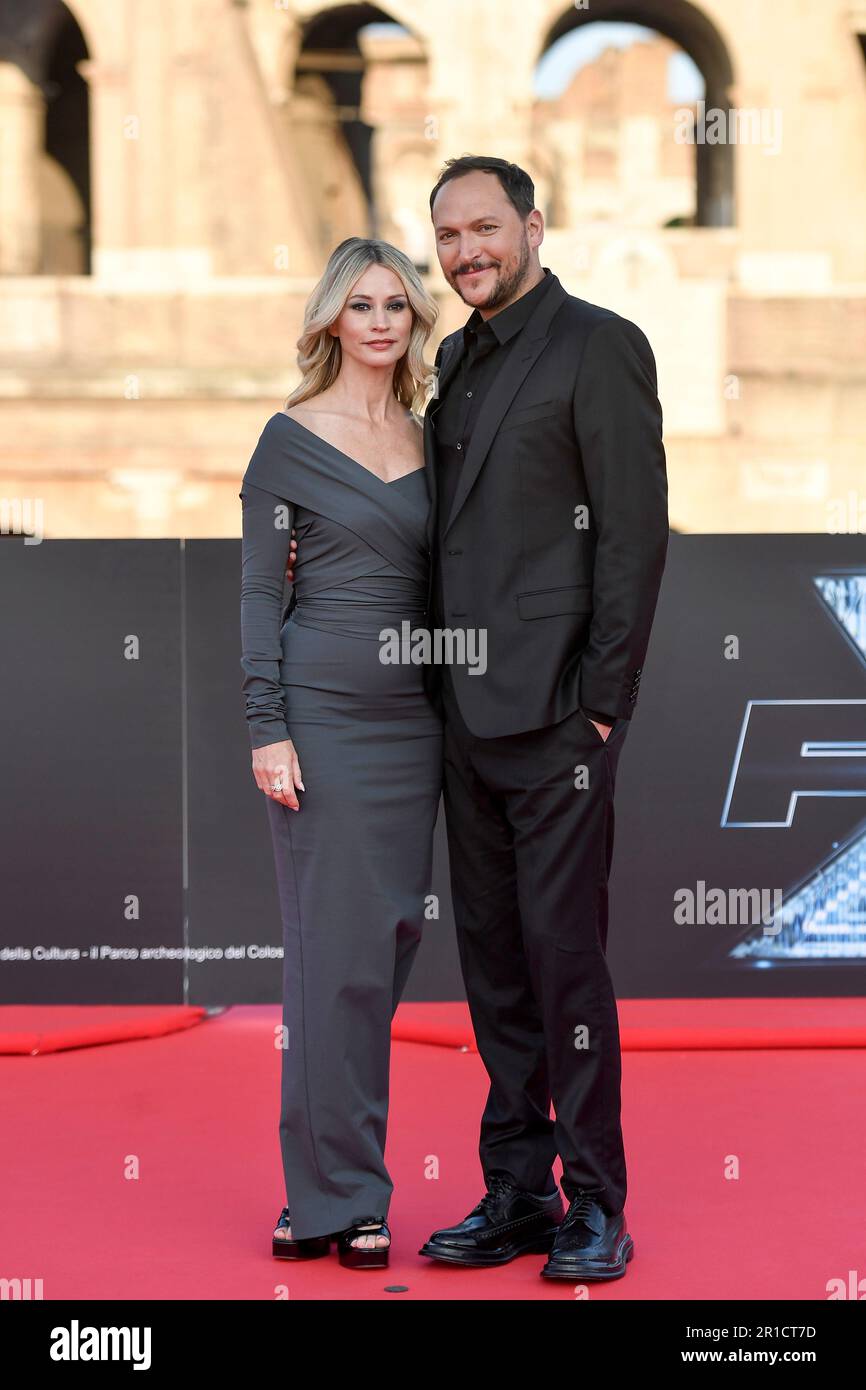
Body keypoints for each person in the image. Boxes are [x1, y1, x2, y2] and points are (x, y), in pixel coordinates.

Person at [412, 156, 669, 1281]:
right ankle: (514, 1192)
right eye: (447, 237)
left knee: (564, 966)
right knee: (495, 970)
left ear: (531, 224)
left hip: (558, 722)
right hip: (462, 720)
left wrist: (600, 708)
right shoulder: (453, 359)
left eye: (484, 228)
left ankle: (595, 1202)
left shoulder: (598, 344)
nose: (466, 251)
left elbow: (630, 536)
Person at [239, 237, 442, 1269]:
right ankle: (333, 1197)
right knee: (333, 960)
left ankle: (338, 1176)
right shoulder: (286, 439)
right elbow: (256, 595)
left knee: (388, 946)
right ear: (328, 319)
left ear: (413, 324)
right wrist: (264, 722)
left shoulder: (428, 436)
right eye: (358, 304)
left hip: (417, 724)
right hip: (318, 721)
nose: (377, 321)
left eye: (394, 307)